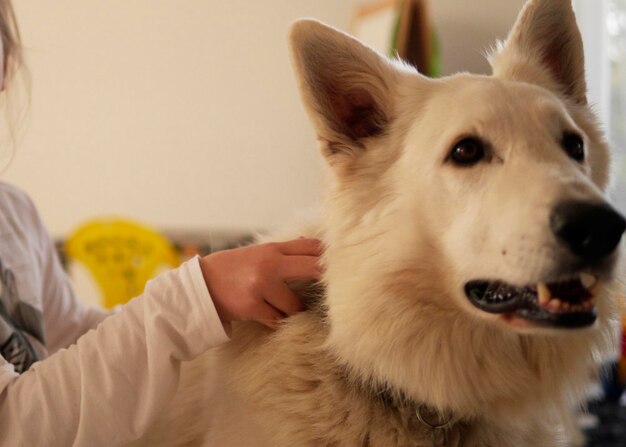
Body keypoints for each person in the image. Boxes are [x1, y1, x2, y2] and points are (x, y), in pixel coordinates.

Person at [0, 1, 322, 445]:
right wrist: (194, 296)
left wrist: (211, 317)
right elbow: (13, 426)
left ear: (7, 60)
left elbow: (72, 339)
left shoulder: (13, 212)